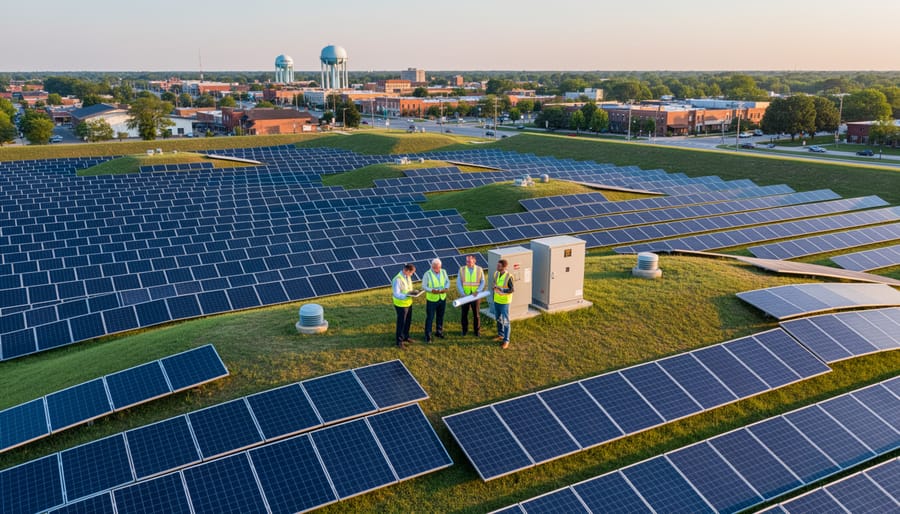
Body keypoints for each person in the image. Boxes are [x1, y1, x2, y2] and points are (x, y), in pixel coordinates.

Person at [456, 254, 485, 337]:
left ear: (474, 261)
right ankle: (464, 330)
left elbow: (483, 281)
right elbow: (459, 282)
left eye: (469, 261)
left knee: (476, 315)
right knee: (464, 314)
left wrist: (478, 291)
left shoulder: (479, 269)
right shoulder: (462, 269)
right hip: (465, 296)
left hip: (475, 296)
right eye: (467, 261)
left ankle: (477, 331)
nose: (467, 262)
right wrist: (462, 293)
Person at [422, 258, 450, 343]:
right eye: (435, 267)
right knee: (430, 317)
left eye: (438, 267)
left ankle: (439, 331)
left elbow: (447, 282)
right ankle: (428, 335)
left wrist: (446, 288)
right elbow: (424, 286)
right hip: (432, 299)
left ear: (440, 266)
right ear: (432, 266)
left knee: (440, 316)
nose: (436, 269)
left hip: (442, 297)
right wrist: (431, 290)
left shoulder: (443, 272)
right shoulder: (427, 274)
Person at [392, 263, 418, 349]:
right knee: (401, 323)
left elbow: (408, 289)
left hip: (408, 303)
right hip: (401, 304)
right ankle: (399, 341)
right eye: (411, 273)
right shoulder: (397, 279)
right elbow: (396, 294)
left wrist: (413, 293)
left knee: (407, 321)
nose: (412, 274)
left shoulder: (407, 277)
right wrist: (406, 296)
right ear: (406, 271)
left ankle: (406, 337)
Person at [492, 259, 514, 349]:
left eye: (499, 266)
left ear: (504, 267)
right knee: (498, 318)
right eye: (497, 265)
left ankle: (506, 340)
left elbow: (512, 289)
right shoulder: (496, 273)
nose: (497, 267)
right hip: (496, 300)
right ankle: (500, 335)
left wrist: (502, 291)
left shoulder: (509, 276)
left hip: (505, 302)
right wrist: (494, 286)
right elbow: (494, 283)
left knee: (506, 321)